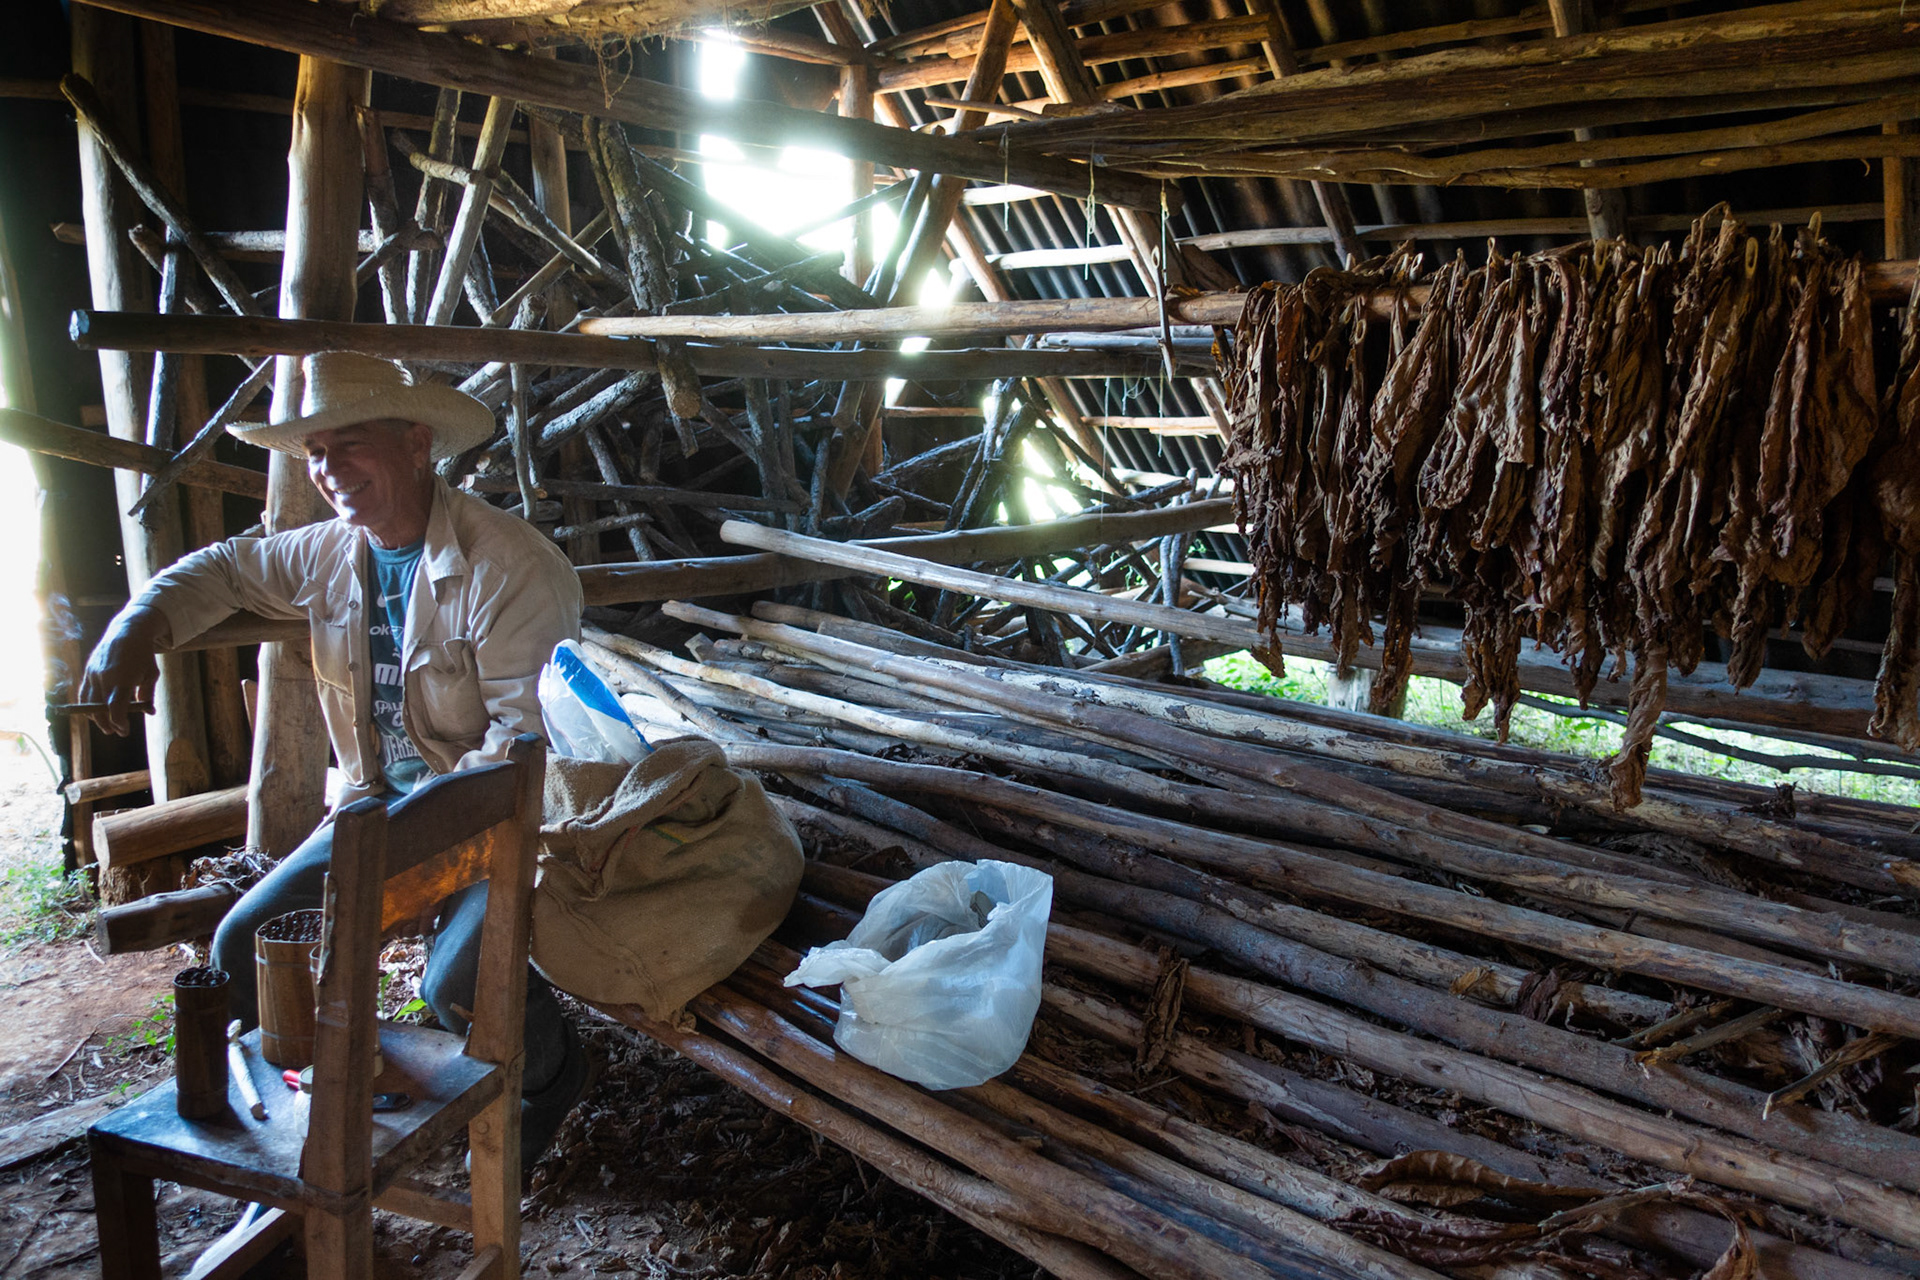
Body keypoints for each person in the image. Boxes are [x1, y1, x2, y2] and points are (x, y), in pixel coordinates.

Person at [78, 351, 591, 1167]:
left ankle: (548, 1080)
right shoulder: (329, 551)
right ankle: (318, 1098)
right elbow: (219, 569)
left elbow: (526, 748)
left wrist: (417, 863)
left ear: (418, 444)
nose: (328, 471)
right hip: (375, 806)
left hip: (501, 813)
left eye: (350, 445)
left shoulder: (510, 563)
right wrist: (134, 629)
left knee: (456, 981)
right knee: (243, 943)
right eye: (315, 453)